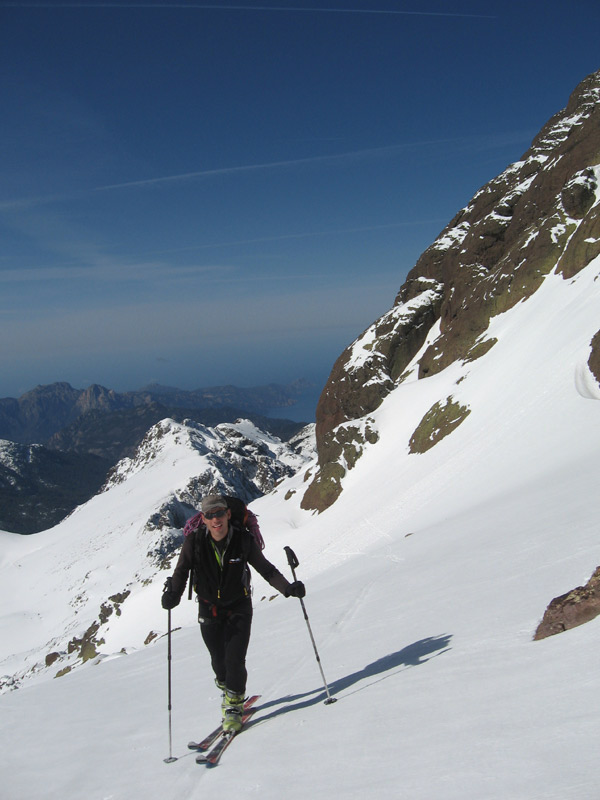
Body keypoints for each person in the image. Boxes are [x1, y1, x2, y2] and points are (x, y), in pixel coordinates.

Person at [161, 494, 305, 732]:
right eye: (210, 515)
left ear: (228, 514)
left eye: (219, 513)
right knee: (219, 663)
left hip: (239, 606)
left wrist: (288, 588)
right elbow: (181, 572)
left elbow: (266, 570)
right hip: (209, 607)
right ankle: (227, 687)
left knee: (234, 659)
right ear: (203, 519)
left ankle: (233, 706)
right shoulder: (194, 542)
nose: (215, 519)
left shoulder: (243, 540)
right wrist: (172, 596)